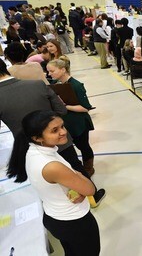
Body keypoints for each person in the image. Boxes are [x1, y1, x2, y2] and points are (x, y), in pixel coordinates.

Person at [0, 60, 105, 208]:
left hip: (30, 147)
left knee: (46, 179)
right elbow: (61, 110)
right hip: (59, 140)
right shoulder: (37, 85)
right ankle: (92, 196)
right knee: (74, 166)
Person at [7, 111, 100, 256]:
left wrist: (77, 186)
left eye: (62, 126)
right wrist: (79, 175)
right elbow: (90, 189)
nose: (63, 132)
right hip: (74, 222)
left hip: (55, 217)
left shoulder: (34, 150)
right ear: (37, 137)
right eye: (55, 130)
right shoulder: (51, 166)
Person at [47, 57, 97, 176]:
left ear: (63, 70)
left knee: (83, 146)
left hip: (78, 123)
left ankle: (89, 167)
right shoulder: (54, 84)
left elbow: (85, 107)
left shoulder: (76, 85)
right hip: (64, 123)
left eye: (52, 71)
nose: (49, 74)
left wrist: (65, 106)